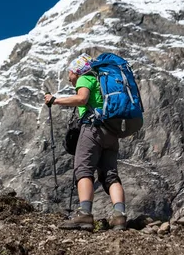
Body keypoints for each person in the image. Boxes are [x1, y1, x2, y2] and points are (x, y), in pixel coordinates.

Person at [44, 53, 127, 231]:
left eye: (70, 72)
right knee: (110, 175)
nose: (69, 77)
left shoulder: (85, 78)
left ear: (77, 70)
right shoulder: (101, 82)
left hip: (93, 129)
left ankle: (84, 214)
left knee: (83, 169)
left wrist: (55, 100)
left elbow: (82, 99)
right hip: (111, 132)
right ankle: (120, 216)